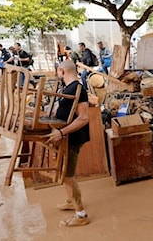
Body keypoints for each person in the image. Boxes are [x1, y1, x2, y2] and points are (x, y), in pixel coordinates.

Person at [45, 59, 91, 228]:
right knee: (65, 174)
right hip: (66, 138)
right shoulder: (69, 89)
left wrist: (61, 132)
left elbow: (84, 117)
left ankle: (81, 215)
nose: (57, 75)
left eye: (57, 72)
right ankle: (72, 201)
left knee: (67, 176)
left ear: (62, 71)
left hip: (71, 139)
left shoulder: (78, 89)